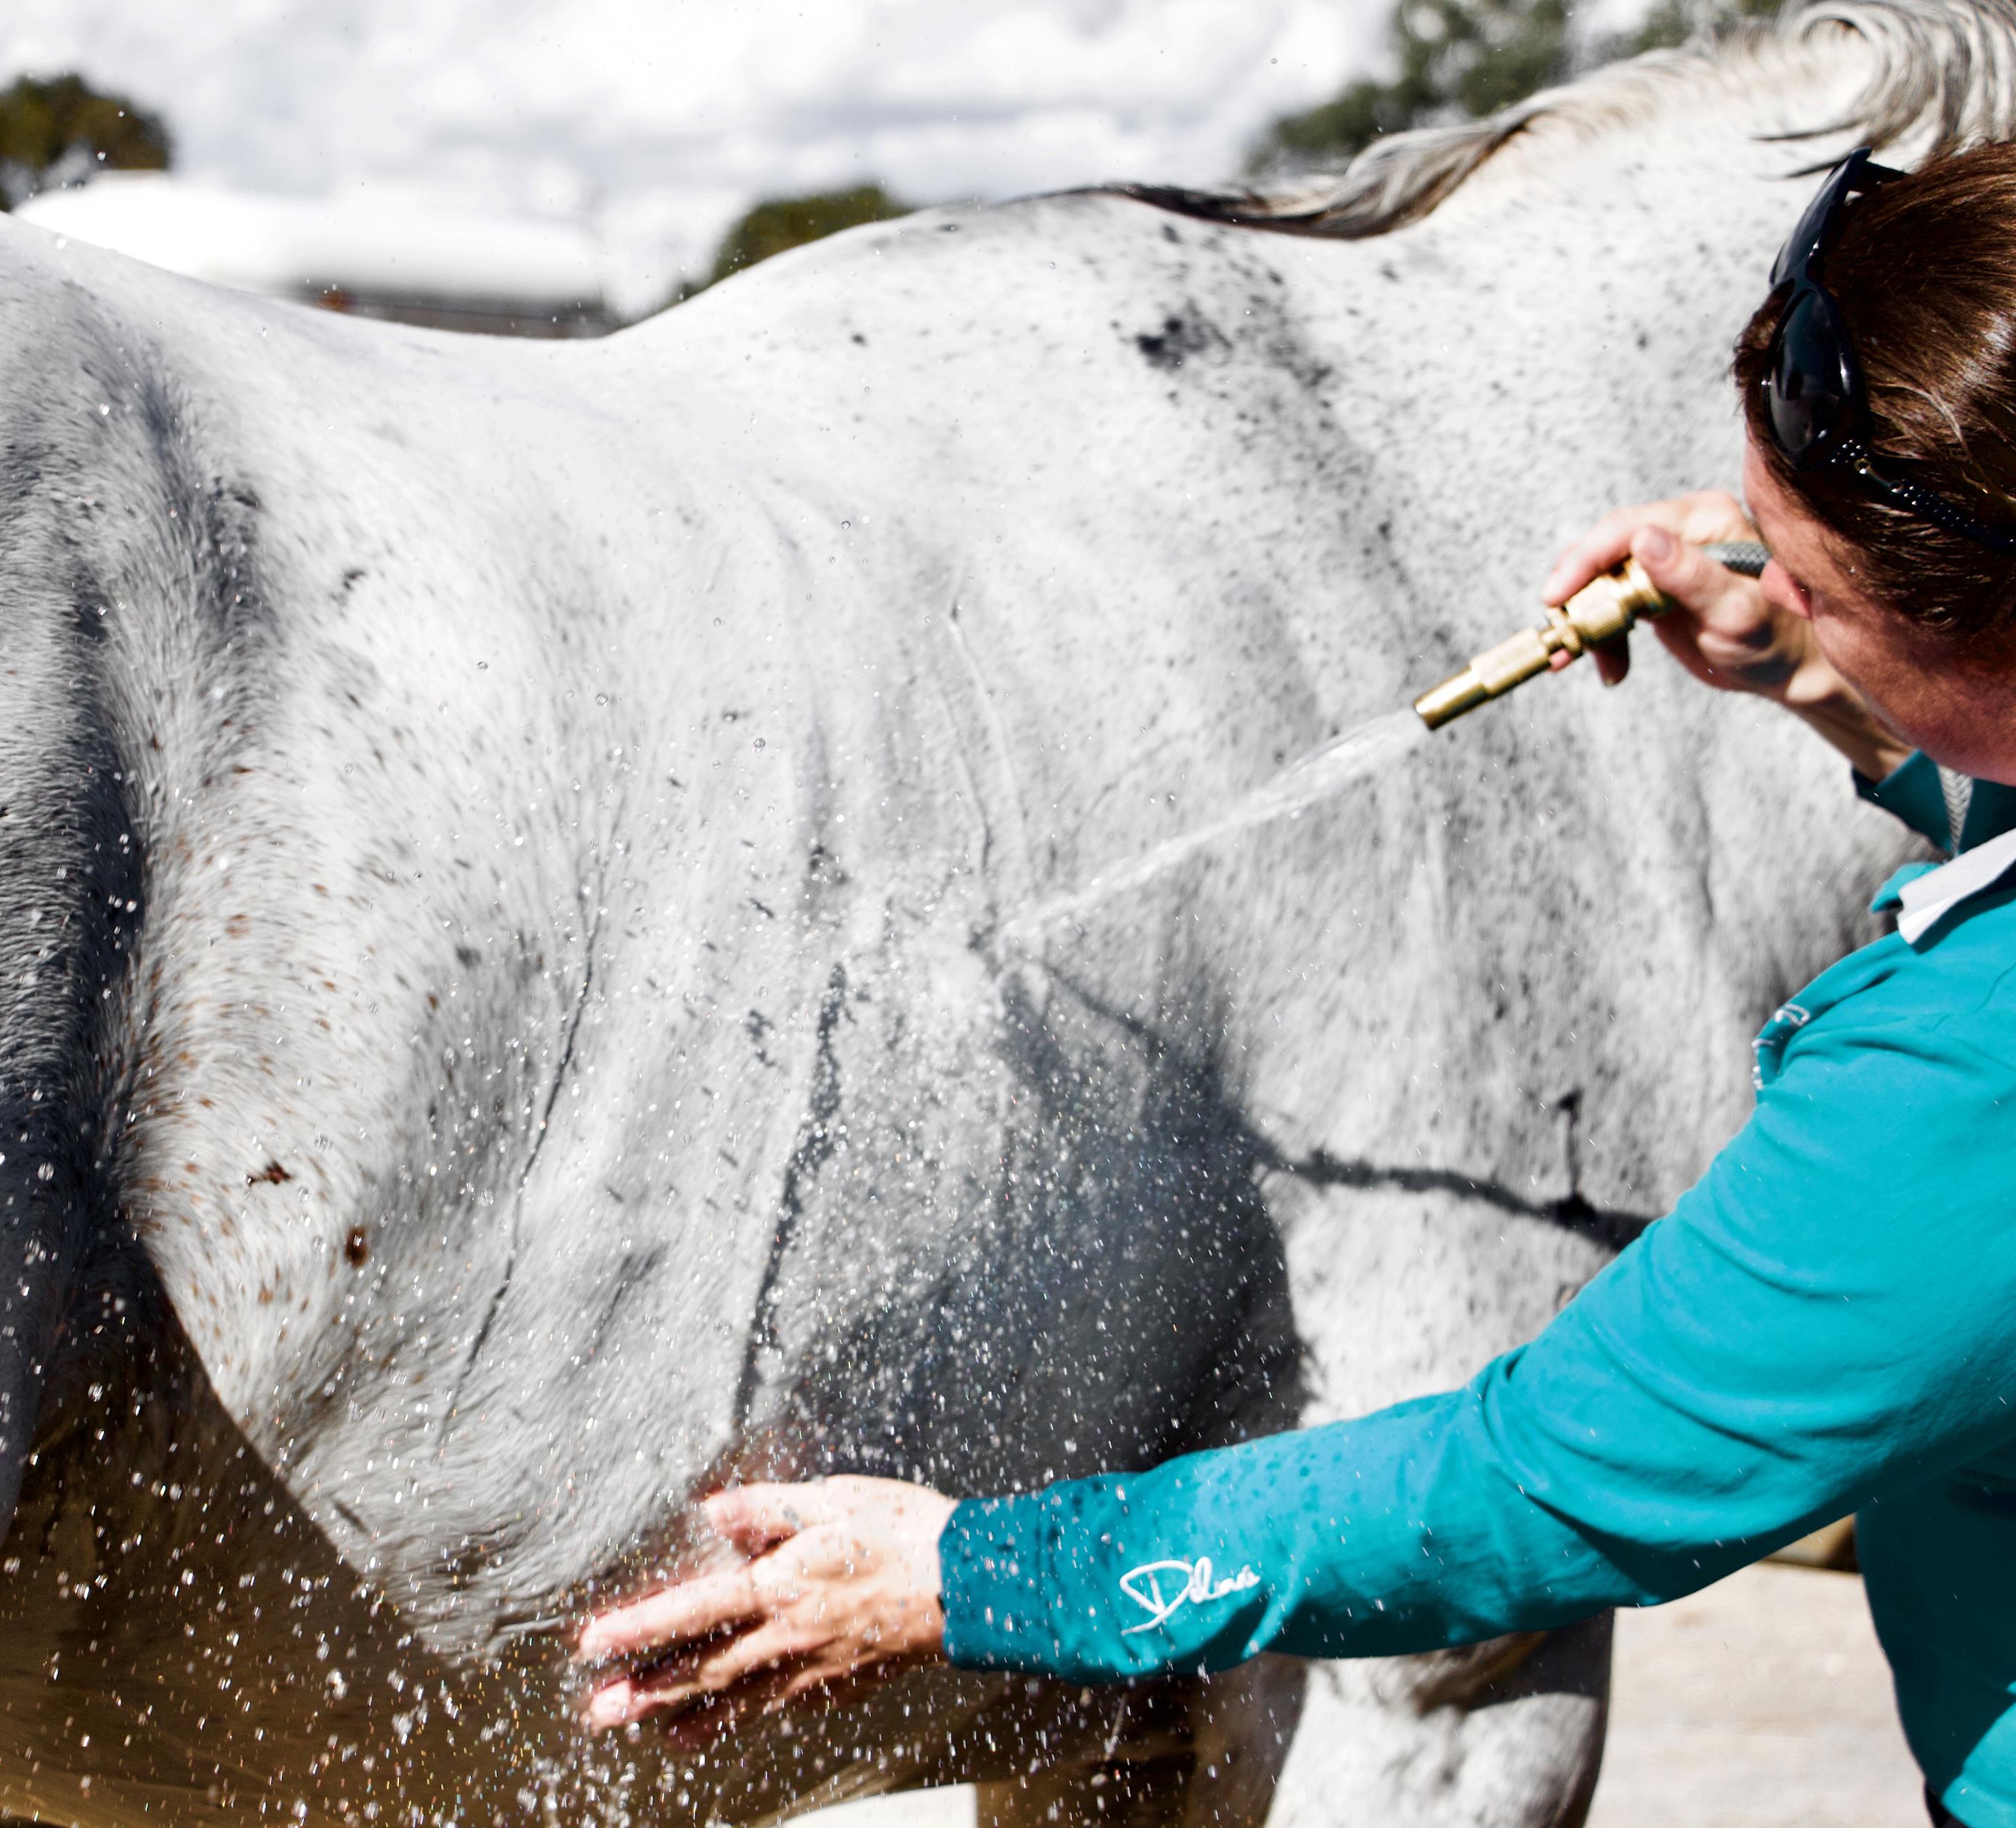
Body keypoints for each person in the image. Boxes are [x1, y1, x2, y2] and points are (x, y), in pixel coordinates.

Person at [578, 142, 2016, 1828]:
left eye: (1818, 585)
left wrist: (968, 1572)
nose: (1762, 585)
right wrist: (1810, 658)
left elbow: (1528, 1484)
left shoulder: (1958, 1078)